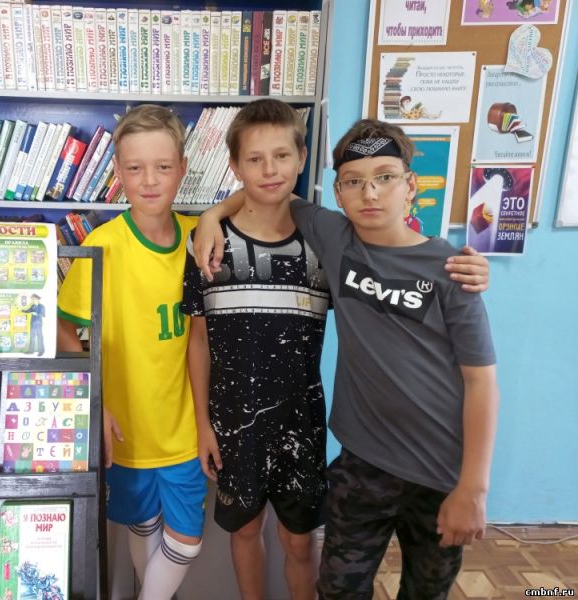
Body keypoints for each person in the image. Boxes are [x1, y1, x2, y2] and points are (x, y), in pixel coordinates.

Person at [196, 115, 498, 599]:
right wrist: (210, 216)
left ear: (410, 186)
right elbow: (270, 191)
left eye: (385, 178)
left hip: (439, 470)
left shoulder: (452, 271)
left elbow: (482, 382)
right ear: (338, 194)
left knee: (426, 591)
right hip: (362, 465)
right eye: (354, 182)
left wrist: (474, 488)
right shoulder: (335, 238)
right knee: (338, 589)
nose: (370, 193)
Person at [182, 98, 329, 600]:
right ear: (235, 166)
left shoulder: (324, 243)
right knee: (245, 531)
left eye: (282, 155)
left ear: (302, 157)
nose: (270, 170)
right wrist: (203, 424)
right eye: (255, 159)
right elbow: (198, 339)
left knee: (300, 541)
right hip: (232, 423)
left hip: (302, 424)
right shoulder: (208, 244)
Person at [57, 104, 205, 600]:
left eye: (163, 166)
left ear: (182, 169)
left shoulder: (200, 236)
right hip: (125, 430)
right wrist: (93, 401)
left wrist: (218, 214)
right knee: (143, 527)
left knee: (187, 539)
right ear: (117, 172)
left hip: (184, 429)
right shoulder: (102, 246)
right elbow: (61, 326)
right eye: (136, 168)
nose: (150, 180)